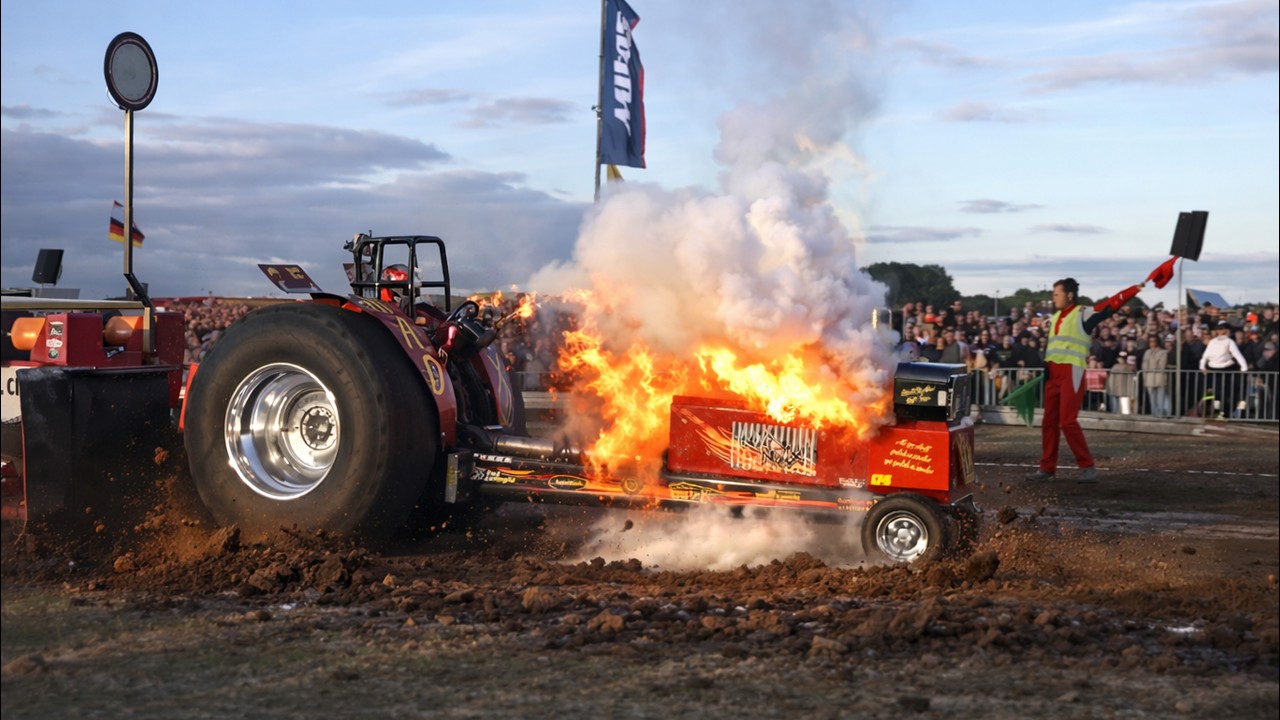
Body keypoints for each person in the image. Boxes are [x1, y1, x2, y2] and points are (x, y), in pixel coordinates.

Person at [1028, 277, 1136, 483]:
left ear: (1069, 294)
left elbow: (1111, 305)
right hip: (1052, 372)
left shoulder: (1083, 313)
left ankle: (1087, 466)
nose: (1054, 298)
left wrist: (1134, 289)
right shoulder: (1056, 317)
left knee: (1067, 422)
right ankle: (1047, 468)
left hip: (1072, 371)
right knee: (1048, 422)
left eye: (1056, 294)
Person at [1200, 320, 1248, 419]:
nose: (1222, 331)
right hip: (1213, 370)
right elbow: (1205, 356)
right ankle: (1217, 413)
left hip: (1226, 370)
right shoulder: (1213, 342)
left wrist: (1244, 368)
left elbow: (1237, 355)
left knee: (1226, 394)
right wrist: (1202, 367)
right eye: (1220, 329)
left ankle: (1228, 413)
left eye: (1224, 329)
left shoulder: (1229, 342)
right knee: (1215, 395)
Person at [1141, 335, 1171, 417]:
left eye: (1153, 341)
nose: (1152, 343)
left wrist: (1151, 364)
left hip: (1160, 377)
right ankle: (1154, 414)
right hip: (1149, 378)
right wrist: (1153, 364)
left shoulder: (1163, 352)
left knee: (1160, 397)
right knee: (1152, 398)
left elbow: (1162, 365)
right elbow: (1144, 366)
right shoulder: (1147, 352)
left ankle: (1160, 414)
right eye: (1150, 341)